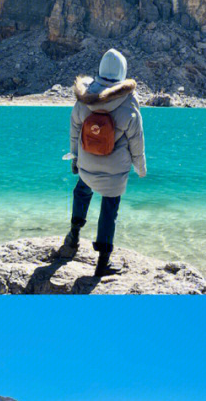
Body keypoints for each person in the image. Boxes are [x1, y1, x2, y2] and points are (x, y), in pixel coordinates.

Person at [61, 48, 147, 280]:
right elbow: (137, 141)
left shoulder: (84, 98)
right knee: (110, 209)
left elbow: (74, 131)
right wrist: (140, 168)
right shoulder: (129, 103)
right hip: (115, 170)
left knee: (82, 190)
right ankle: (102, 262)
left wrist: (75, 157)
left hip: (88, 162)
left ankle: (73, 236)